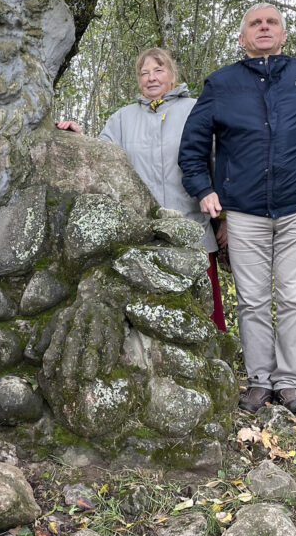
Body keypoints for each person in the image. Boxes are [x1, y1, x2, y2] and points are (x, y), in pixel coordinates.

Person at [179, 3, 296, 414]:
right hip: (243, 210)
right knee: (252, 299)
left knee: (295, 297)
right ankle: (259, 381)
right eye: (254, 24)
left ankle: (292, 383)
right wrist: (203, 189)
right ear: (242, 38)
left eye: (271, 22)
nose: (263, 27)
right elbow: (192, 147)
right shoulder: (221, 83)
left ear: (282, 33)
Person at [56, 48, 226, 330]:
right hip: (143, 235)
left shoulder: (197, 110)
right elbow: (102, 160)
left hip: (194, 229)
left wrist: (225, 220)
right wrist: (78, 139)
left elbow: (220, 164)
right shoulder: (122, 119)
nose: (151, 78)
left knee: (203, 315)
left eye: (158, 70)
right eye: (144, 73)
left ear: (172, 75)